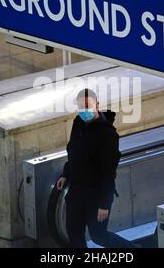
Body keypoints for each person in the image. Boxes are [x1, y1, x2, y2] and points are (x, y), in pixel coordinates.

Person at [56, 88, 136, 248]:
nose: (84, 110)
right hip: (77, 192)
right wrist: (66, 173)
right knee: (73, 232)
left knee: (99, 235)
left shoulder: (107, 135)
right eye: (80, 107)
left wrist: (104, 205)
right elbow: (73, 152)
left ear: (97, 105)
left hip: (96, 195)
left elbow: (109, 173)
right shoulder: (78, 123)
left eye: (87, 106)